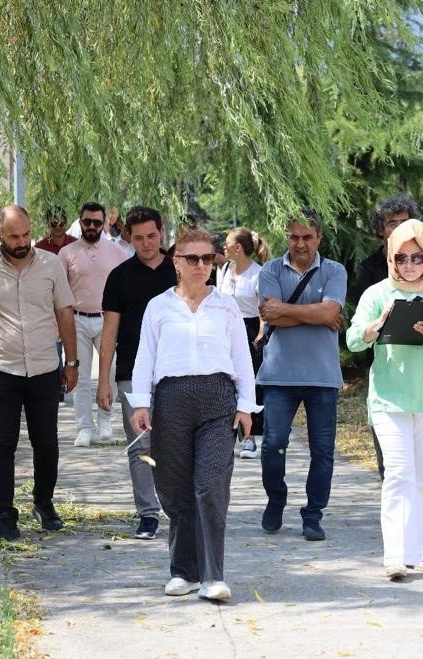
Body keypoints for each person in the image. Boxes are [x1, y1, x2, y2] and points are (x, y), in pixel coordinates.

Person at [127, 229, 258, 602]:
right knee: (174, 487)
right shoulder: (159, 307)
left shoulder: (226, 306)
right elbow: (144, 358)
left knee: (210, 485)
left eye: (208, 258)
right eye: (192, 259)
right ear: (177, 263)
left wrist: (245, 406)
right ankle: (184, 570)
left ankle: (214, 576)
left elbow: (241, 360)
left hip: (218, 401)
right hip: (171, 400)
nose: (201, 265)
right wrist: (141, 403)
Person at [346, 219, 423, 580]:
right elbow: (354, 339)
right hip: (389, 399)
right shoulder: (377, 293)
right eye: (401, 258)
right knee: (398, 475)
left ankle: (419, 554)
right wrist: (378, 325)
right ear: (391, 256)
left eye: (417, 257)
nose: (409, 265)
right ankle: (395, 557)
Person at [0, 205, 78, 547]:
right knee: (2, 446)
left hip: (44, 367)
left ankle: (43, 503)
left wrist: (72, 362)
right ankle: (4, 519)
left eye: (26, 234)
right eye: (14, 236)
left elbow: (64, 312)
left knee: (46, 443)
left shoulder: (51, 265)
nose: (22, 241)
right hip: (1, 370)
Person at [350, 195, 423, 530]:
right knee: (390, 446)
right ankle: (397, 504)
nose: (398, 229)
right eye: (391, 223)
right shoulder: (370, 271)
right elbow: (361, 326)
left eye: (404, 221)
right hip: (388, 367)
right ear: (380, 230)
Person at [257, 207, 346, 542]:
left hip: (322, 376)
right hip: (279, 375)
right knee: (272, 445)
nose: (300, 243)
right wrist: (317, 315)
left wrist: (288, 311)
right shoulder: (269, 271)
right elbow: (271, 316)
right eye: (294, 236)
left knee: (322, 451)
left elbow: (330, 310)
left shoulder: (335, 271)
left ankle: (313, 515)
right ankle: (276, 497)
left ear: (318, 238)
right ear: (286, 236)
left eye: (308, 237)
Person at [97, 206, 176, 540]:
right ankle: (148, 513)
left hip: (176, 371)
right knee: (140, 446)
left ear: (162, 233)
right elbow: (109, 333)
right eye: (139, 237)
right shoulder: (119, 277)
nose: (146, 244)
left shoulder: (180, 271)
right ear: (128, 236)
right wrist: (103, 380)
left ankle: (179, 508)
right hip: (132, 373)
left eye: (152, 236)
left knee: (175, 445)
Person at [59, 201, 129, 446]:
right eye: (87, 222)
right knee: (78, 374)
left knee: (110, 372)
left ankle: (106, 419)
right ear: (80, 221)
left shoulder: (117, 252)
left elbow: (127, 287)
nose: (91, 226)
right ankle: (84, 428)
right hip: (76, 320)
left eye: (97, 222)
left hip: (107, 320)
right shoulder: (66, 253)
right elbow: (58, 292)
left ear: (104, 224)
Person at [220, 227, 270, 458]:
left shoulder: (258, 274)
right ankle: (225, 435)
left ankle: (249, 438)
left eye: (227, 243)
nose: (223, 247)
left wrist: (260, 335)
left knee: (247, 385)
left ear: (238, 248)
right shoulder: (225, 269)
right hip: (224, 329)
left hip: (249, 330)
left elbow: (262, 309)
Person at [36, 206, 78, 403]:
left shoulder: (75, 245)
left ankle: (72, 386)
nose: (58, 227)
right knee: (54, 350)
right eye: (54, 224)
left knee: (72, 348)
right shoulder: (39, 248)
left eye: (62, 223)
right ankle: (57, 391)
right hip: (49, 308)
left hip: (74, 306)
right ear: (48, 225)